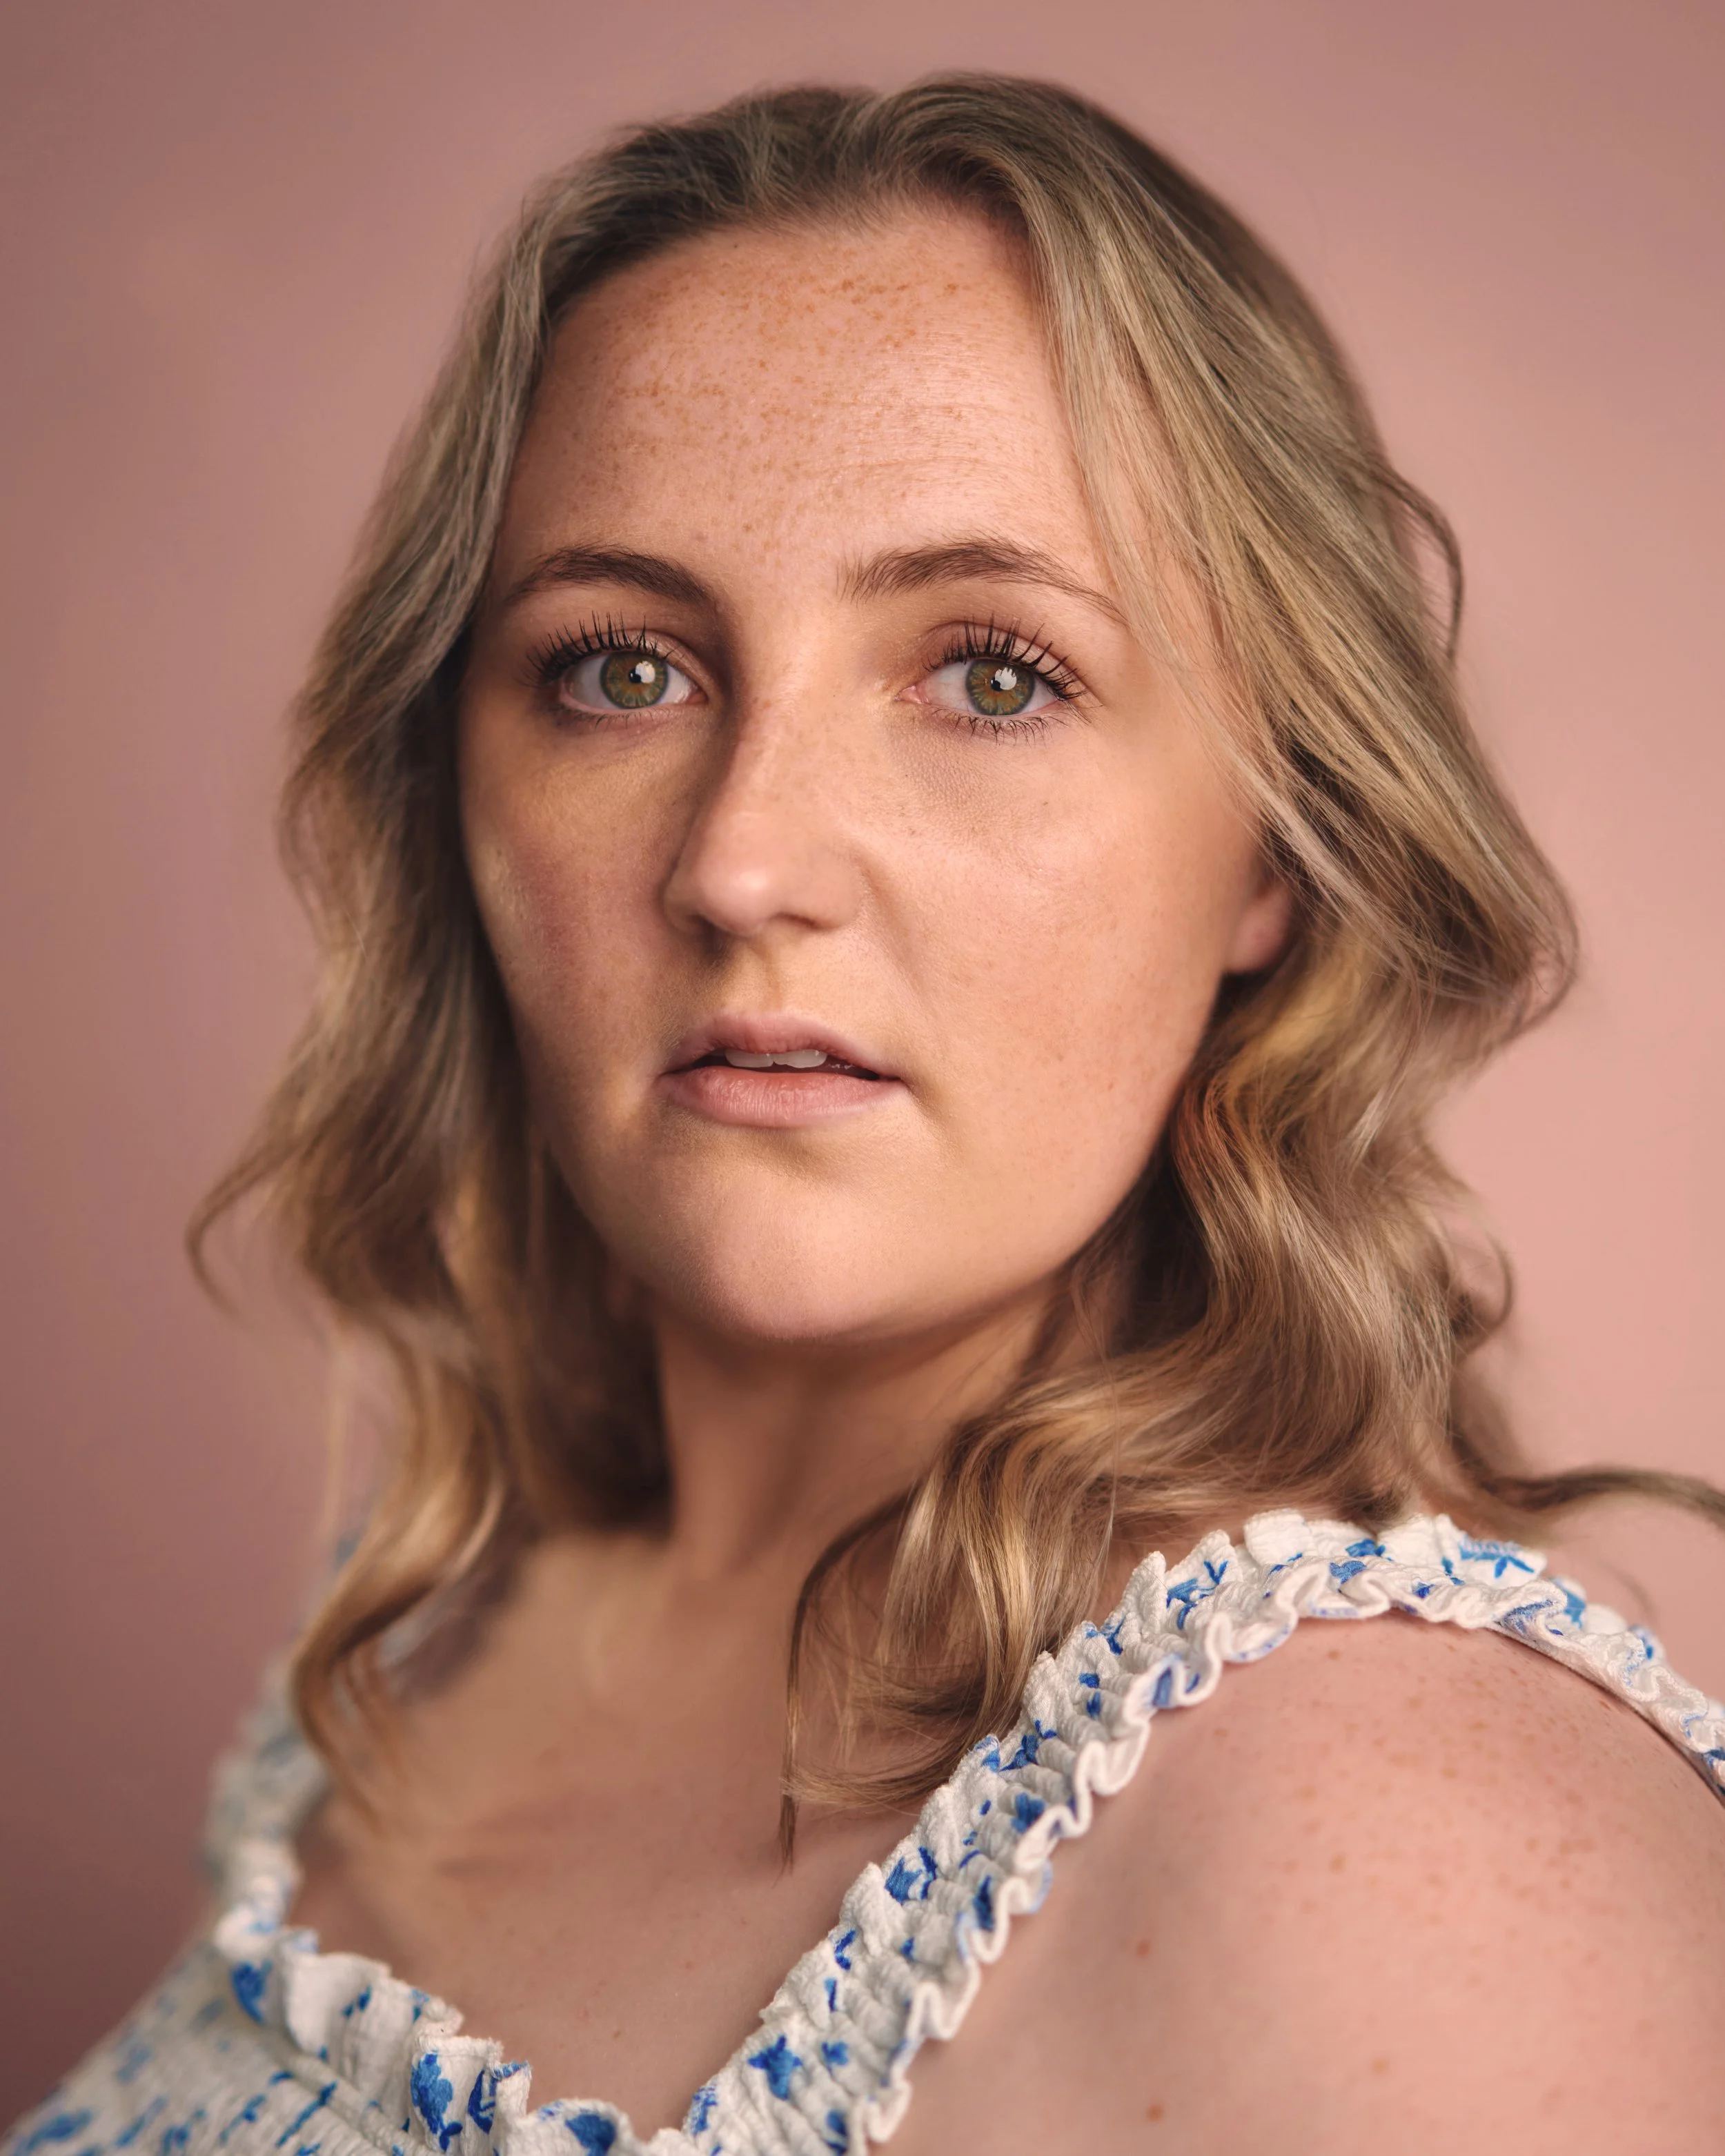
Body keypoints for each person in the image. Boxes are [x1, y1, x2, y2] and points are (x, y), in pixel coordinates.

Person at [11, 74, 1725, 2156]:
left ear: (1277, 848)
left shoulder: (1416, 1849)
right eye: (619, 670)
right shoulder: (433, 1613)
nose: (744, 861)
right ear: (452, 783)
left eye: (992, 675)